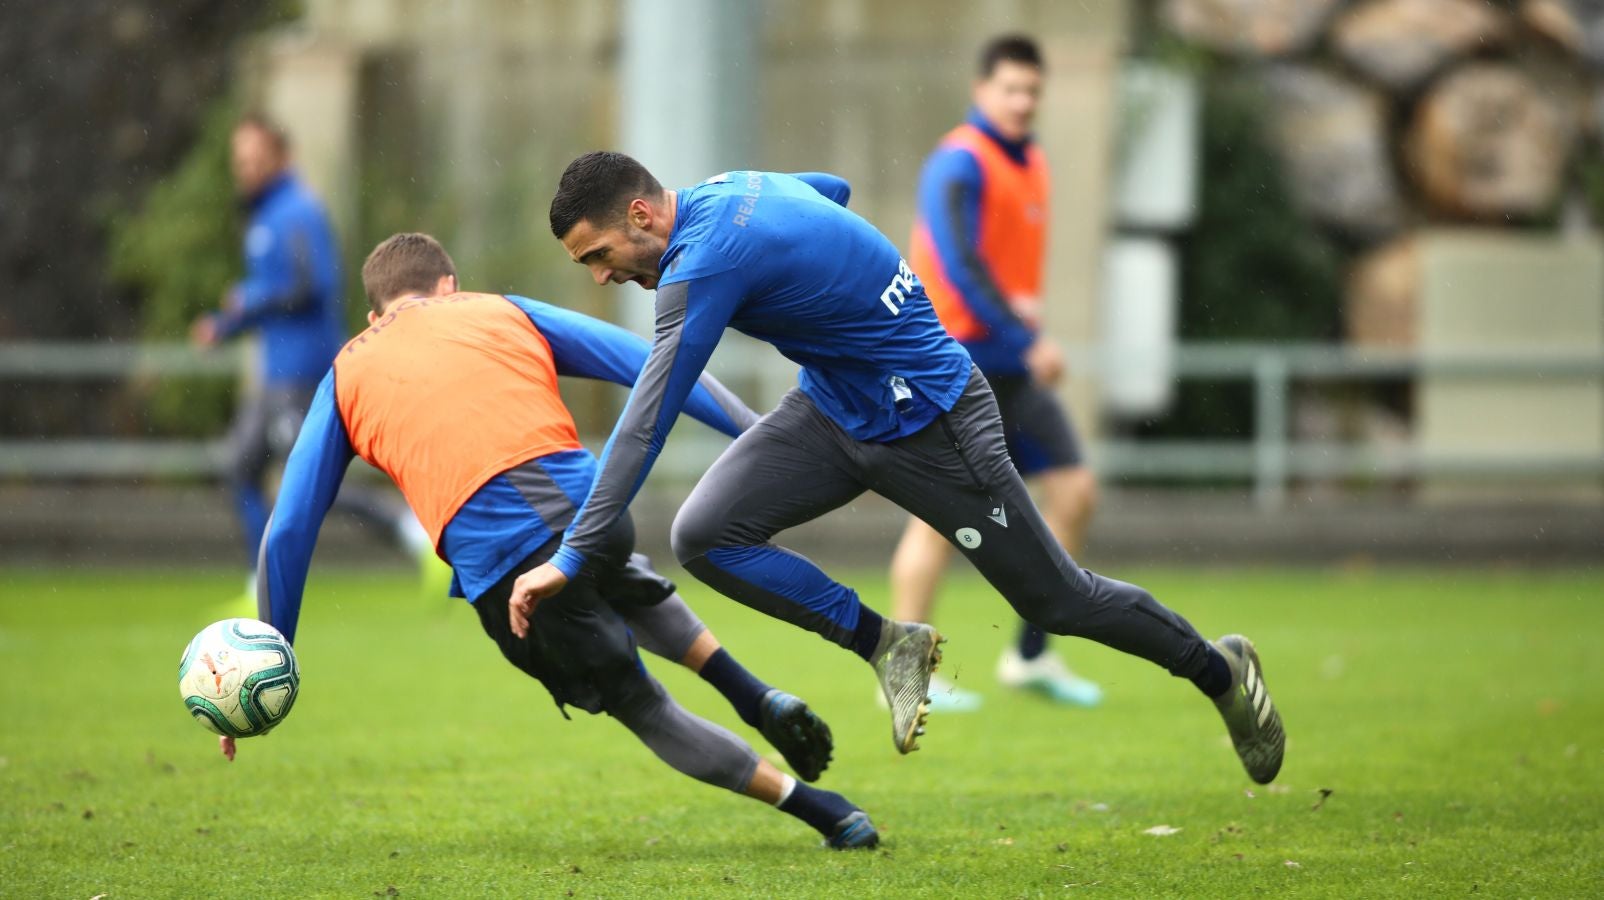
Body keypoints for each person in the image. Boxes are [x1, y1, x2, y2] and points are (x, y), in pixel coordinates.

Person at [516, 152, 1285, 785]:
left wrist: (574, 554)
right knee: (708, 533)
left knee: (1059, 601)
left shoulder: (706, 258)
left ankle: (1219, 671)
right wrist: (844, 297)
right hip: (833, 410)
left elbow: (646, 417)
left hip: (934, 423)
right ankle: (889, 644)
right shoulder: (732, 190)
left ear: (642, 216)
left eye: (599, 255)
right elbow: (829, 194)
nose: (601, 276)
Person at [229, 232, 879, 849]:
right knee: (620, 578)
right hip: (596, 508)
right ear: (448, 286)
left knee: (643, 705)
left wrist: (272, 655)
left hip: (509, 567)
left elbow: (288, 527)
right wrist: (757, 432)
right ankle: (752, 694)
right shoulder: (498, 309)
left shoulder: (347, 373)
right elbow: (650, 362)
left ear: (373, 316)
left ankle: (826, 812)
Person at [894, 35, 1100, 712]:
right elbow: (959, 265)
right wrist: (1024, 332)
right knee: (939, 521)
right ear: (981, 91)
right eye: (1010, 89)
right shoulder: (958, 163)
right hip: (957, 362)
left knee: (1074, 493)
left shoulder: (1032, 160)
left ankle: (1031, 656)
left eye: (1032, 92)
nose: (1022, 102)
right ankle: (908, 672)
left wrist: (1021, 334)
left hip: (1011, 366)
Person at [190, 116, 439, 599]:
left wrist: (250, 301)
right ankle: (258, 580)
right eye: (240, 160)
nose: (246, 168)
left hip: (303, 373)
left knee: (310, 480)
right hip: (273, 376)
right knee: (241, 466)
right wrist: (227, 326)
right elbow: (271, 299)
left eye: (255, 158)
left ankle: (413, 533)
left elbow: (314, 286)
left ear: (281, 157)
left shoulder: (299, 212)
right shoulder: (263, 217)